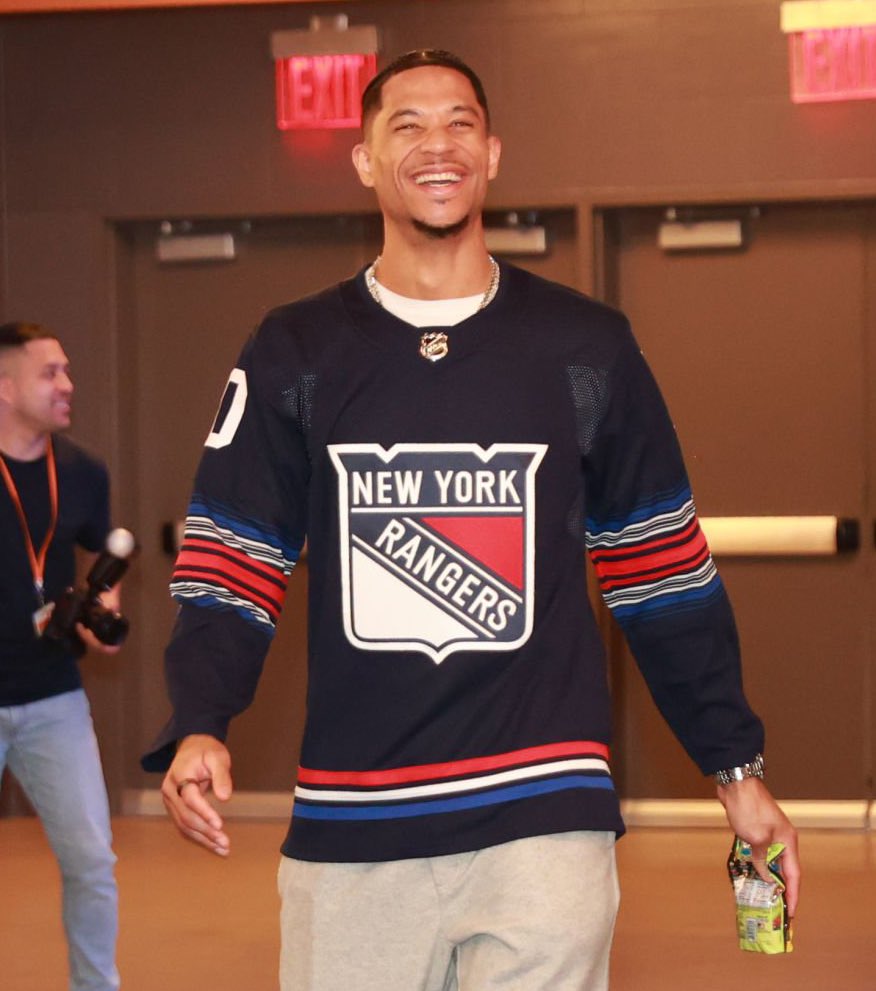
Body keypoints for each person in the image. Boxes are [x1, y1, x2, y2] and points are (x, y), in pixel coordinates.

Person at [143, 49, 799, 991]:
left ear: (492, 153)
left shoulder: (585, 347)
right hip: (356, 822)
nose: (435, 144)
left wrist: (736, 767)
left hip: (545, 815)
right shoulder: (294, 349)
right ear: (365, 161)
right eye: (405, 125)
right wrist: (202, 717)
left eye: (458, 123)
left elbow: (661, 574)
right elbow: (231, 557)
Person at [0, 322, 121, 991]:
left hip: (53, 697)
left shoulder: (81, 471)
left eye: (67, 370)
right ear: (6, 385)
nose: (67, 384)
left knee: (92, 863)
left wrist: (101, 617)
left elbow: (105, 561)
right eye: (51, 373)